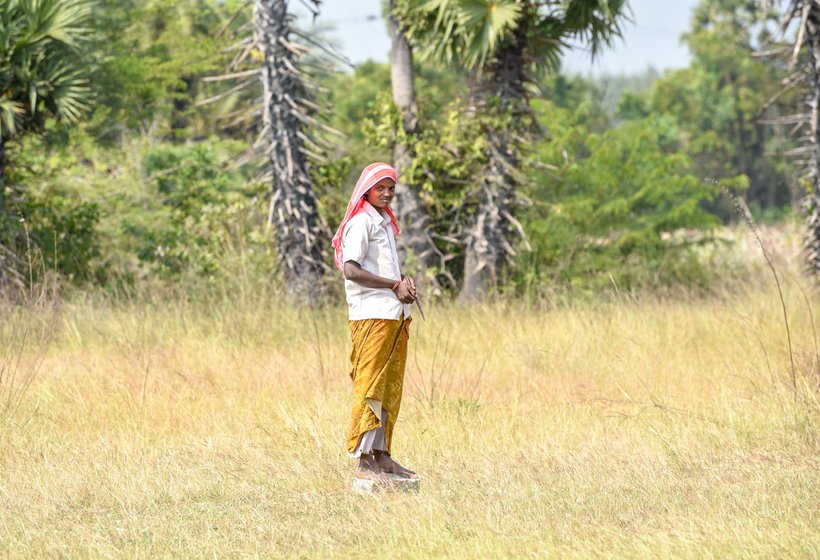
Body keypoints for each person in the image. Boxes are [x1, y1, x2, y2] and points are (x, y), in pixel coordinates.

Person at [331, 162, 420, 483]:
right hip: (370, 315)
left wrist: (403, 286)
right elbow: (350, 270)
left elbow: (384, 271)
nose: (387, 193)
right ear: (366, 190)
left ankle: (382, 456)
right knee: (369, 385)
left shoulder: (383, 223)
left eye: (391, 188)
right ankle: (364, 462)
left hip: (392, 315)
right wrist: (393, 285)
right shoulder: (360, 223)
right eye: (380, 187)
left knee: (388, 387)